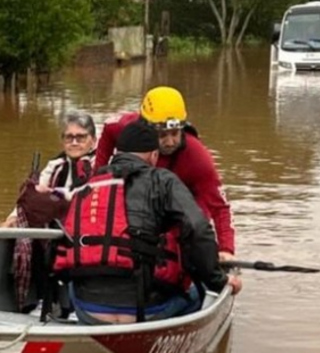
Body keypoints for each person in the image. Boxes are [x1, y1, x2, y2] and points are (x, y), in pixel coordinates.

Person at [55, 120, 242, 325]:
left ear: (118, 153)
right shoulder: (164, 180)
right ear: (154, 155)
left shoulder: (87, 187)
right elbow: (198, 229)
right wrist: (219, 280)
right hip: (145, 312)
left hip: (90, 311)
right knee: (202, 289)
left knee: (74, 284)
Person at [94, 86, 236, 261]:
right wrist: (97, 178)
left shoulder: (197, 156)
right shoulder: (122, 127)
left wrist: (226, 249)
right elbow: (107, 132)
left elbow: (220, 206)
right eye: (162, 135)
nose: (170, 142)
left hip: (184, 207)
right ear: (145, 128)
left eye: (175, 133)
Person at [0, 112, 97, 228]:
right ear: (63, 141)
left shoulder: (101, 165)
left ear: (93, 141)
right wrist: (13, 217)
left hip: (88, 225)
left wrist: (52, 193)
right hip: (56, 228)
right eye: (69, 137)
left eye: (81, 138)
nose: (74, 143)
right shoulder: (55, 166)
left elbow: (83, 195)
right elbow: (31, 195)